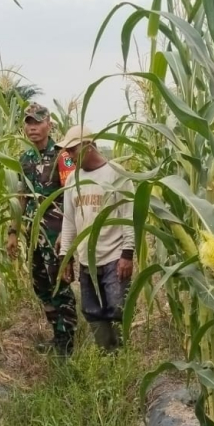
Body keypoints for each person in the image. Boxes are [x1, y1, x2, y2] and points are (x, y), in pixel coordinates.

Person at [7, 103, 78, 356]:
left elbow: (73, 195)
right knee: (41, 286)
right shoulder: (24, 160)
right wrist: (13, 232)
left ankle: (67, 342)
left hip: (56, 235)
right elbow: (21, 197)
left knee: (60, 285)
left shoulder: (63, 155)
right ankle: (57, 334)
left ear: (49, 123)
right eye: (28, 122)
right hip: (33, 235)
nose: (32, 127)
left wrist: (67, 236)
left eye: (37, 122)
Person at [56, 125, 135, 353]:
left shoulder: (116, 173)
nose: (68, 156)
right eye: (66, 151)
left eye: (72, 149)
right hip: (86, 259)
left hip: (114, 258)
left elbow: (129, 216)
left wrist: (127, 254)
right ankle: (107, 355)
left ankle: (123, 358)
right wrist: (65, 258)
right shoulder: (72, 180)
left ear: (88, 146)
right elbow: (69, 221)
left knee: (117, 309)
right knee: (92, 311)